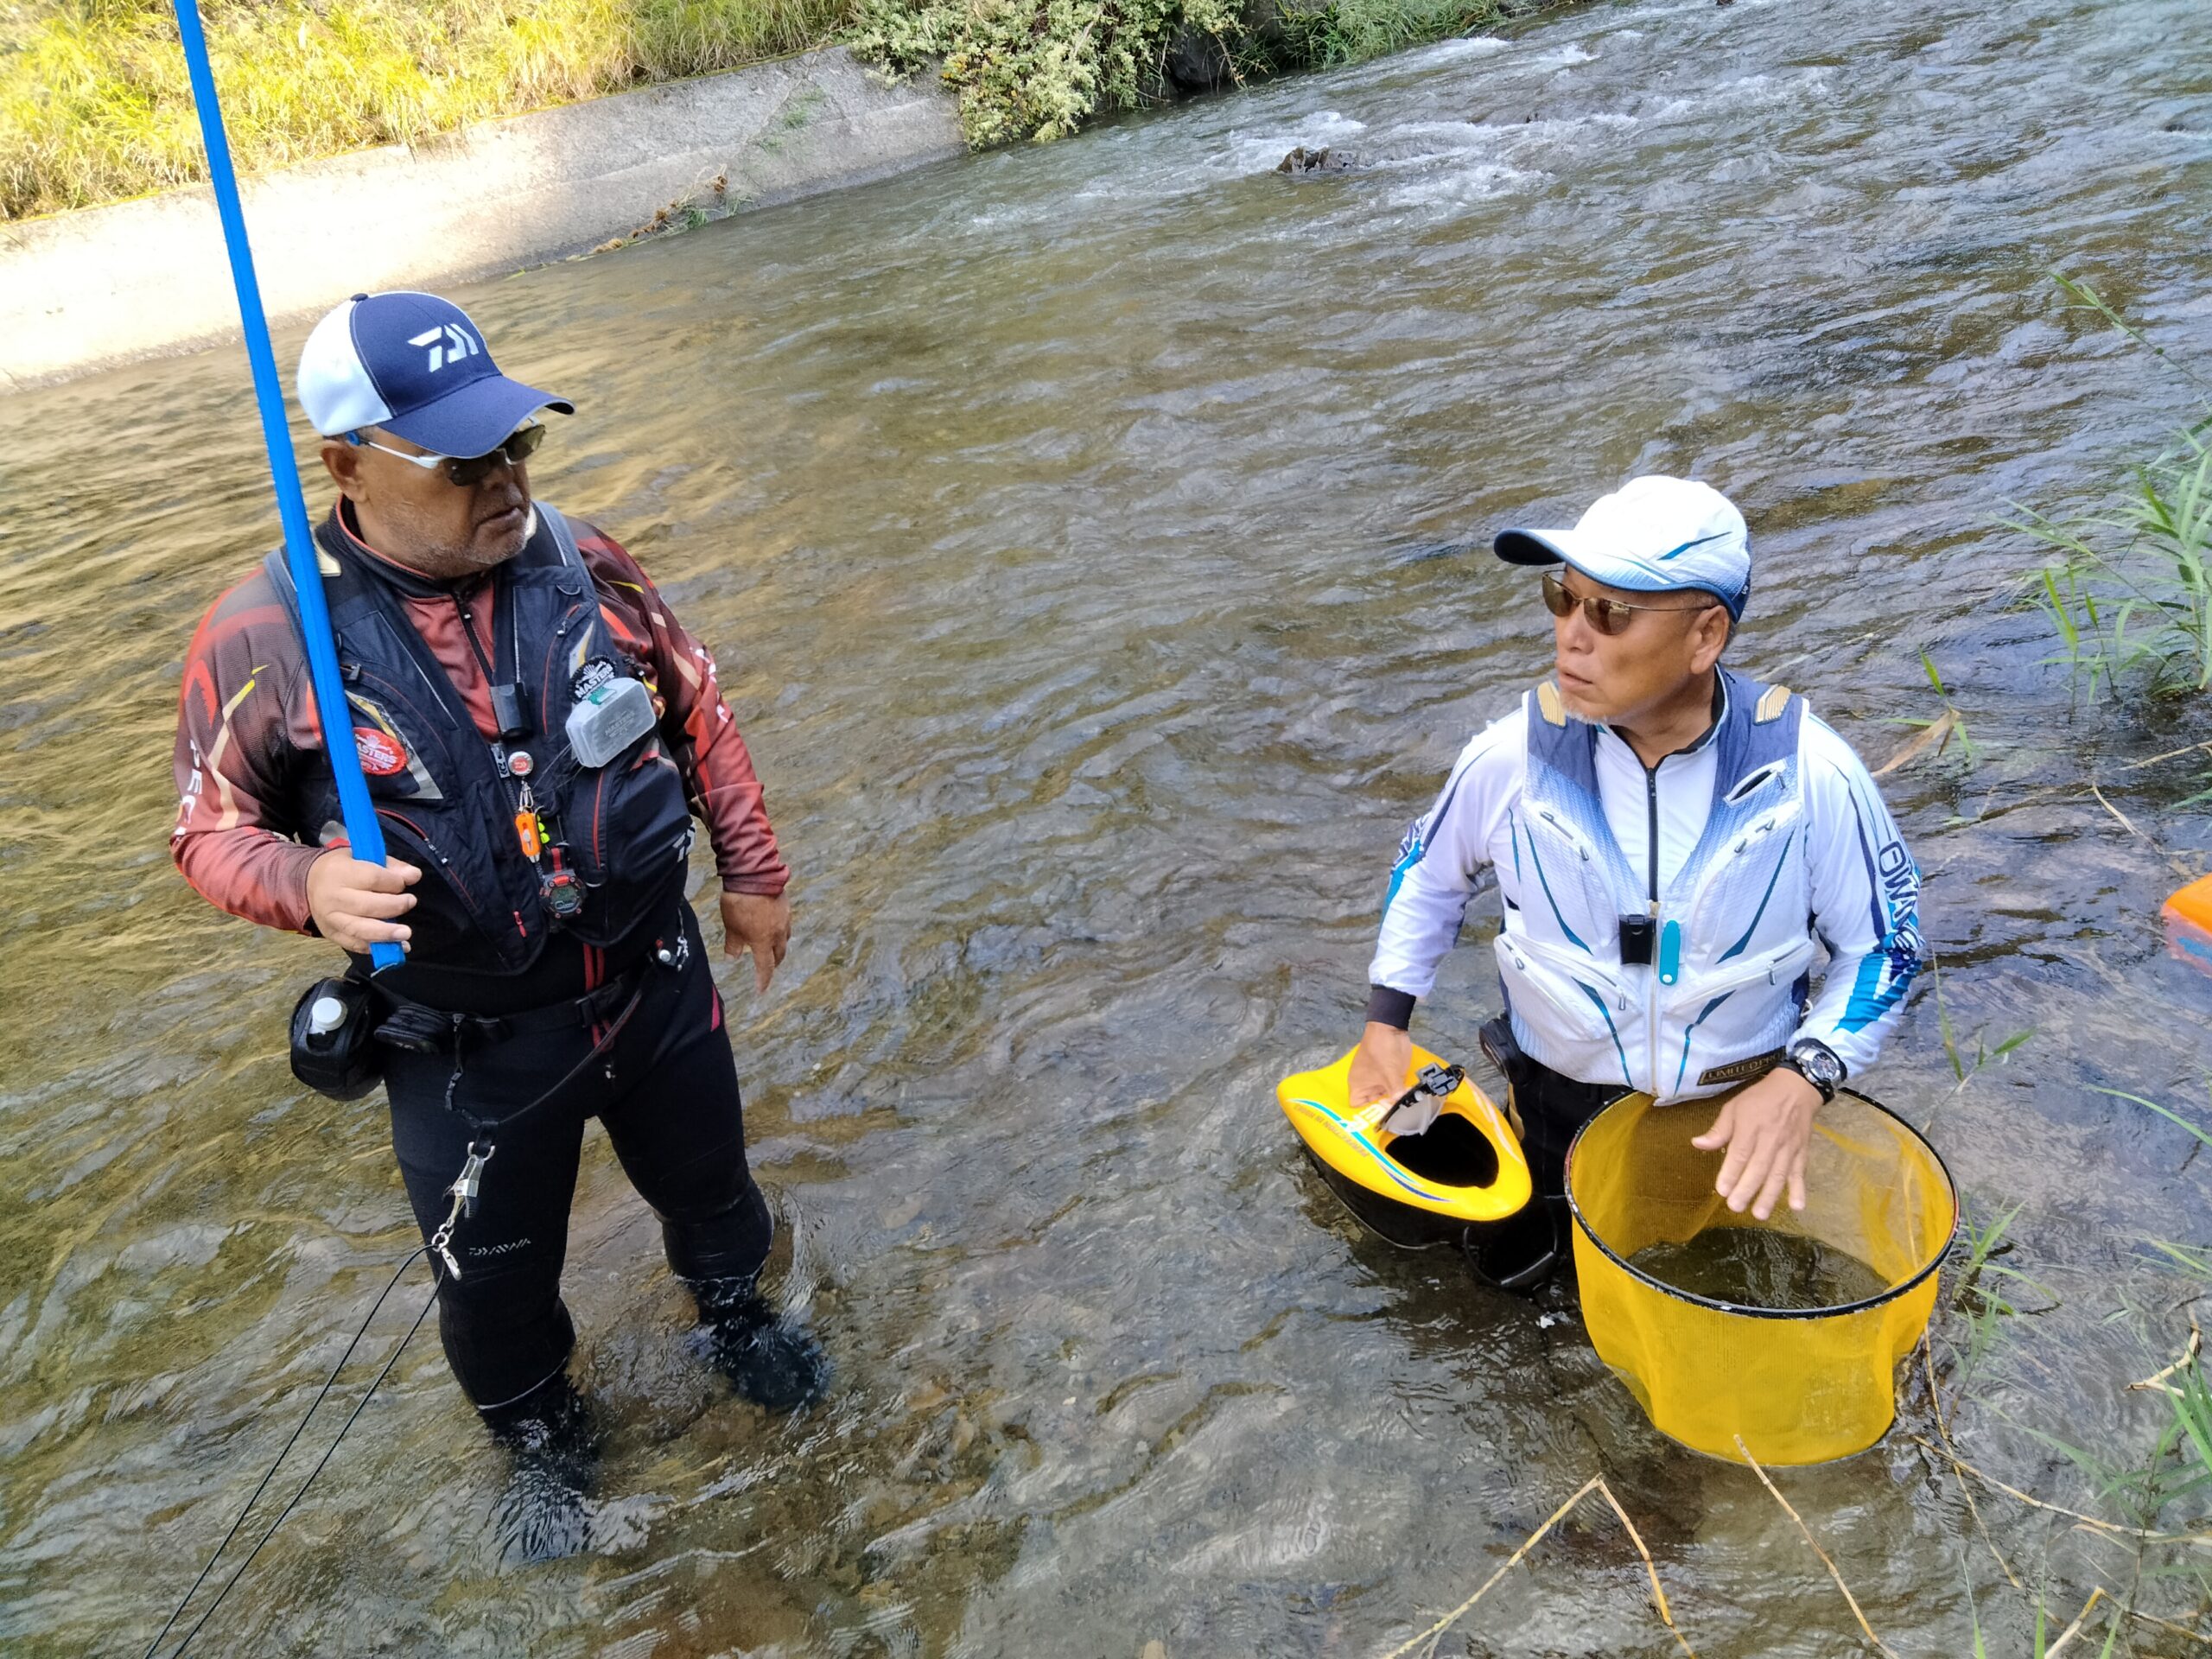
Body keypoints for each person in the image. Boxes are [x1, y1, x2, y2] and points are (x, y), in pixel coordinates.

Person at [170, 290, 824, 1560]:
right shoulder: (267, 632)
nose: (506, 480)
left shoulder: (585, 556)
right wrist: (302, 886)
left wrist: (752, 869)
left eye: (519, 445)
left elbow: (697, 704)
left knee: (714, 1196)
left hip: (652, 979)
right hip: (469, 1042)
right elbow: (206, 829)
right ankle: (538, 1443)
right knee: (497, 1283)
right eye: (465, 461)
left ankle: (739, 1322)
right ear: (349, 466)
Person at [1349, 475, 1923, 1283]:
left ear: (1706, 637)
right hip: (1554, 1100)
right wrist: (1387, 1020)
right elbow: (1428, 877)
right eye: (1563, 597)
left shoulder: (1809, 775)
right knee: (1535, 1290)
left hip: (1734, 1114)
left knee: (1726, 1288)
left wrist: (1806, 1079)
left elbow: (1886, 947)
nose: (1571, 637)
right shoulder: (1511, 760)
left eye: (1612, 612)